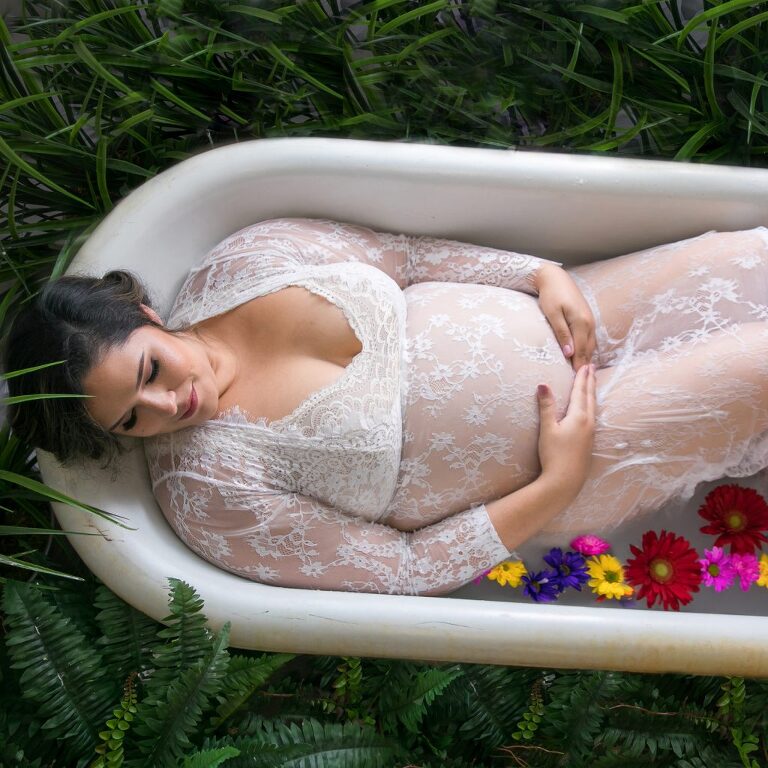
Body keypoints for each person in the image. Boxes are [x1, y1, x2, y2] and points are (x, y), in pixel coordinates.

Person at [6, 219, 768, 595]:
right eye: (133, 418)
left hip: (579, 308)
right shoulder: (209, 495)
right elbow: (400, 569)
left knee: (755, 256)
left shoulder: (245, 259)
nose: (170, 403)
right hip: (584, 447)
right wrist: (557, 487)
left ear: (141, 309)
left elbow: (403, 256)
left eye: (151, 368)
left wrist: (540, 273)